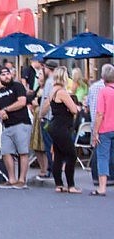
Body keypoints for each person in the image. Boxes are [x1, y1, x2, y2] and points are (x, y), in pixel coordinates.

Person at [41, 66, 81, 194]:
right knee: (71, 155)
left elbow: (45, 108)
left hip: (54, 125)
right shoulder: (62, 92)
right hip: (62, 126)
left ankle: (58, 184)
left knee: (58, 155)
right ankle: (71, 185)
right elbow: (74, 109)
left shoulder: (53, 91)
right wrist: (75, 107)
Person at [0, 66, 32, 189]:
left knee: (23, 152)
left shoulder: (17, 86)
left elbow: (22, 102)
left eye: (7, 73)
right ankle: (11, 179)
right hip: (7, 126)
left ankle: (21, 179)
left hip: (21, 123)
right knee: (6, 152)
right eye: (3, 74)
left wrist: (6, 109)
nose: (6, 76)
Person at [85, 64, 114, 186]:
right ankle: (111, 177)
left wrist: (95, 131)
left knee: (101, 155)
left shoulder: (99, 90)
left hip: (103, 127)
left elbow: (99, 113)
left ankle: (101, 183)